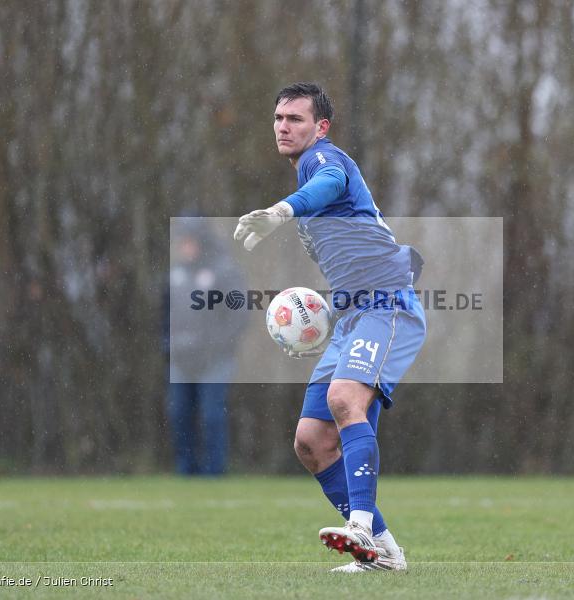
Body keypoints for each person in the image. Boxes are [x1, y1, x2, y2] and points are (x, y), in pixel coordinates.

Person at [234, 82, 426, 572]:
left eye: (295, 118)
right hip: (352, 317)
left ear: (320, 127)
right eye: (278, 118)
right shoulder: (309, 173)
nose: (283, 126)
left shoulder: (324, 160)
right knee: (311, 441)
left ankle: (359, 523)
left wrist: (281, 209)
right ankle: (382, 551)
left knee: (344, 399)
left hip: (387, 307)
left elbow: (331, 185)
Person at [164, 220, 246, 476]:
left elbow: (239, 314)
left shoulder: (224, 271)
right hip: (181, 359)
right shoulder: (174, 274)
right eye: (181, 241)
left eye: (189, 240)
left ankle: (214, 470)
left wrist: (218, 345)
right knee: (179, 413)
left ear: (201, 241)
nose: (184, 246)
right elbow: (163, 314)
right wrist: (167, 343)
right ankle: (186, 470)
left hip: (214, 359)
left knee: (212, 416)